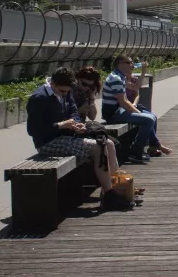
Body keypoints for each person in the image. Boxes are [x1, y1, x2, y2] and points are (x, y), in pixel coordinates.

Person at [26, 67, 132, 211]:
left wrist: (77, 124)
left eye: (67, 92)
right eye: (62, 91)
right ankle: (109, 195)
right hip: (48, 142)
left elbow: (73, 112)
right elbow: (33, 130)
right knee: (98, 147)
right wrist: (60, 125)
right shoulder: (40, 98)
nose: (65, 94)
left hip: (66, 136)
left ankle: (119, 187)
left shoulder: (67, 91)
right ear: (53, 84)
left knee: (108, 143)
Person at [102, 55, 156, 163]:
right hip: (114, 113)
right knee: (149, 119)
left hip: (119, 111)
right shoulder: (116, 79)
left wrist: (137, 112)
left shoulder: (120, 76)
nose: (132, 65)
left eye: (131, 62)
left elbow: (126, 99)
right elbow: (123, 102)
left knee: (151, 117)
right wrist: (138, 112)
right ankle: (136, 152)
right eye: (128, 63)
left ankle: (139, 149)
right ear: (119, 65)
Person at [125, 62, 173, 157]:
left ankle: (152, 147)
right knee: (148, 119)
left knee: (153, 116)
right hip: (125, 107)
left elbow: (137, 93)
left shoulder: (134, 79)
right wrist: (132, 106)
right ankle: (156, 145)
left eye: (131, 70)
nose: (130, 72)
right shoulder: (121, 80)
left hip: (134, 106)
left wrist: (134, 104)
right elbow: (133, 87)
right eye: (129, 70)